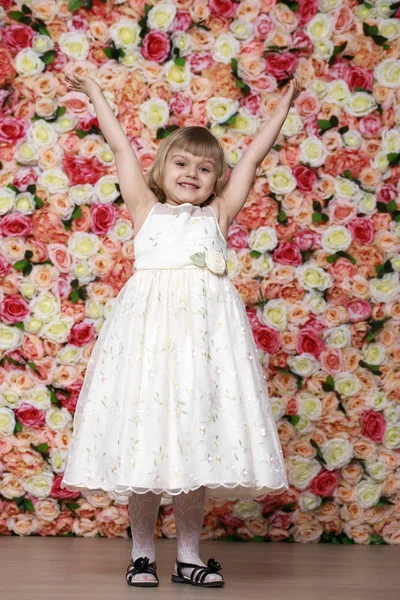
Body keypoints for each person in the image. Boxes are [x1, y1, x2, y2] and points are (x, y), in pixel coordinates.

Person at [61, 71, 300, 588]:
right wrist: (98, 95)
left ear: (219, 180)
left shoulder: (219, 213)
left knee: (195, 444)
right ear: (162, 168)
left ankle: (189, 557)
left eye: (206, 167)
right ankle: (142, 554)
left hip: (203, 351)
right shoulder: (146, 210)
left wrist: (281, 110)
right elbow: (120, 145)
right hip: (148, 347)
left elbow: (255, 157)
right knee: (148, 440)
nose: (193, 171)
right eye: (182, 162)